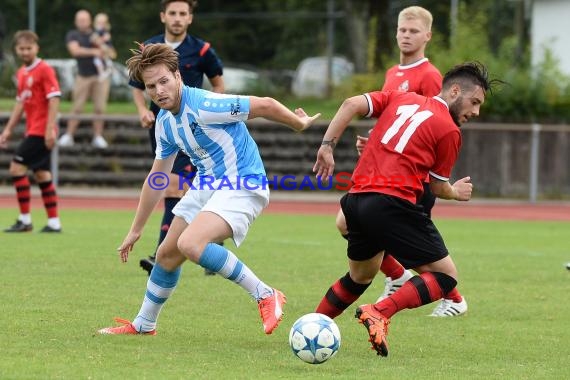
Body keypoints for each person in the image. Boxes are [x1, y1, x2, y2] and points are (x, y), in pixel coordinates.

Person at [97, 43, 320, 336]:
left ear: (178, 76)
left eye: (164, 81)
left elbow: (265, 104)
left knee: (190, 244)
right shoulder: (164, 123)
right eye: (151, 86)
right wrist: (136, 229)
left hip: (242, 182)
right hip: (207, 185)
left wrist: (299, 124)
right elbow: (157, 176)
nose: (159, 91)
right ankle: (144, 324)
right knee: (166, 254)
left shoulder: (205, 103)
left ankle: (266, 294)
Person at [313, 62, 497, 356]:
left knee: (360, 276)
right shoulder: (449, 130)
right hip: (392, 204)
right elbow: (437, 187)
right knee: (446, 276)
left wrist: (326, 146)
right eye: (474, 102)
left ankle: (313, 324)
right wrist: (456, 192)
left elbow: (350, 104)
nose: (476, 112)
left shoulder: (400, 98)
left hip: (355, 201)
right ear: (454, 90)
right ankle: (380, 312)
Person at [336, 6, 468, 317]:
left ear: (427, 36)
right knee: (349, 224)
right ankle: (400, 277)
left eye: (413, 31)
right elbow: (397, 120)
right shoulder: (393, 74)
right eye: (402, 30)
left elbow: (433, 122)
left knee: (419, 253)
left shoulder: (430, 75)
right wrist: (372, 143)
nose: (406, 36)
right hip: (386, 174)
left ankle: (453, 296)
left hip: (413, 180)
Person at [131, 0, 225, 276]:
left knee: (172, 186)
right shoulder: (149, 50)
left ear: (190, 18)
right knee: (189, 187)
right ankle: (210, 241)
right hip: (164, 129)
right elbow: (137, 87)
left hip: (196, 130)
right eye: (172, 13)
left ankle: (162, 252)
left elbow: (218, 84)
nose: (177, 18)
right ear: (163, 16)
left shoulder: (202, 49)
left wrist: (210, 112)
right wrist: (141, 111)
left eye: (183, 13)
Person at [0, 30, 62, 233]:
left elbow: (54, 98)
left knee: (16, 168)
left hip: (41, 130)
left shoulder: (44, 69)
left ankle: (25, 220)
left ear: (37, 48)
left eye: (29, 48)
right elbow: (20, 104)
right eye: (21, 48)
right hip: (32, 129)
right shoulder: (21, 73)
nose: (25, 52)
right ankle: (54, 222)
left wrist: (49, 129)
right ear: (16, 50)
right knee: (42, 174)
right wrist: (8, 130)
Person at [58, 9, 116, 149]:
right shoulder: (73, 35)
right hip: (83, 76)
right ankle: (69, 135)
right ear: (75, 21)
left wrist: (102, 43)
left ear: (90, 21)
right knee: (77, 107)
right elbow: (75, 51)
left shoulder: (98, 35)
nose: (82, 22)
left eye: (84, 20)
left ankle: (97, 137)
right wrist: (95, 51)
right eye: (79, 20)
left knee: (99, 108)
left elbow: (112, 54)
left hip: (100, 77)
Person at [91, 12, 114, 82]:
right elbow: (95, 40)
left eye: (102, 23)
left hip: (105, 49)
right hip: (100, 50)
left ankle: (107, 70)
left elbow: (112, 52)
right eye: (99, 22)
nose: (101, 25)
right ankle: (102, 72)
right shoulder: (96, 31)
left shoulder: (104, 31)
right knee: (97, 61)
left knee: (105, 60)